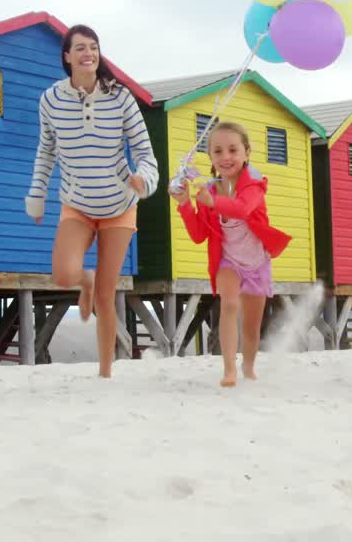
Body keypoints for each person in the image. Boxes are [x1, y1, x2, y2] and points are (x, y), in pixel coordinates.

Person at [25, 24, 158, 378]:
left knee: (105, 294)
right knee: (63, 274)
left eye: (94, 47)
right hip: (77, 203)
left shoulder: (120, 97)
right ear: (67, 56)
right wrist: (37, 195)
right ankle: (84, 279)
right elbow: (46, 151)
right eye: (81, 48)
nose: (89, 53)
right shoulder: (50, 100)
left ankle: (105, 372)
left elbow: (145, 153)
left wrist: (144, 180)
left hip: (119, 206)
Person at [171, 121, 291, 387]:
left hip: (257, 263)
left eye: (233, 150)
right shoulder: (209, 190)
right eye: (218, 151)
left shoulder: (254, 184)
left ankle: (248, 367)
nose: (225, 157)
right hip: (228, 261)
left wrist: (213, 202)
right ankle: (229, 370)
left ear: (246, 152)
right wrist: (185, 204)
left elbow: (243, 209)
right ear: (210, 156)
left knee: (251, 328)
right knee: (228, 305)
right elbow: (198, 235)